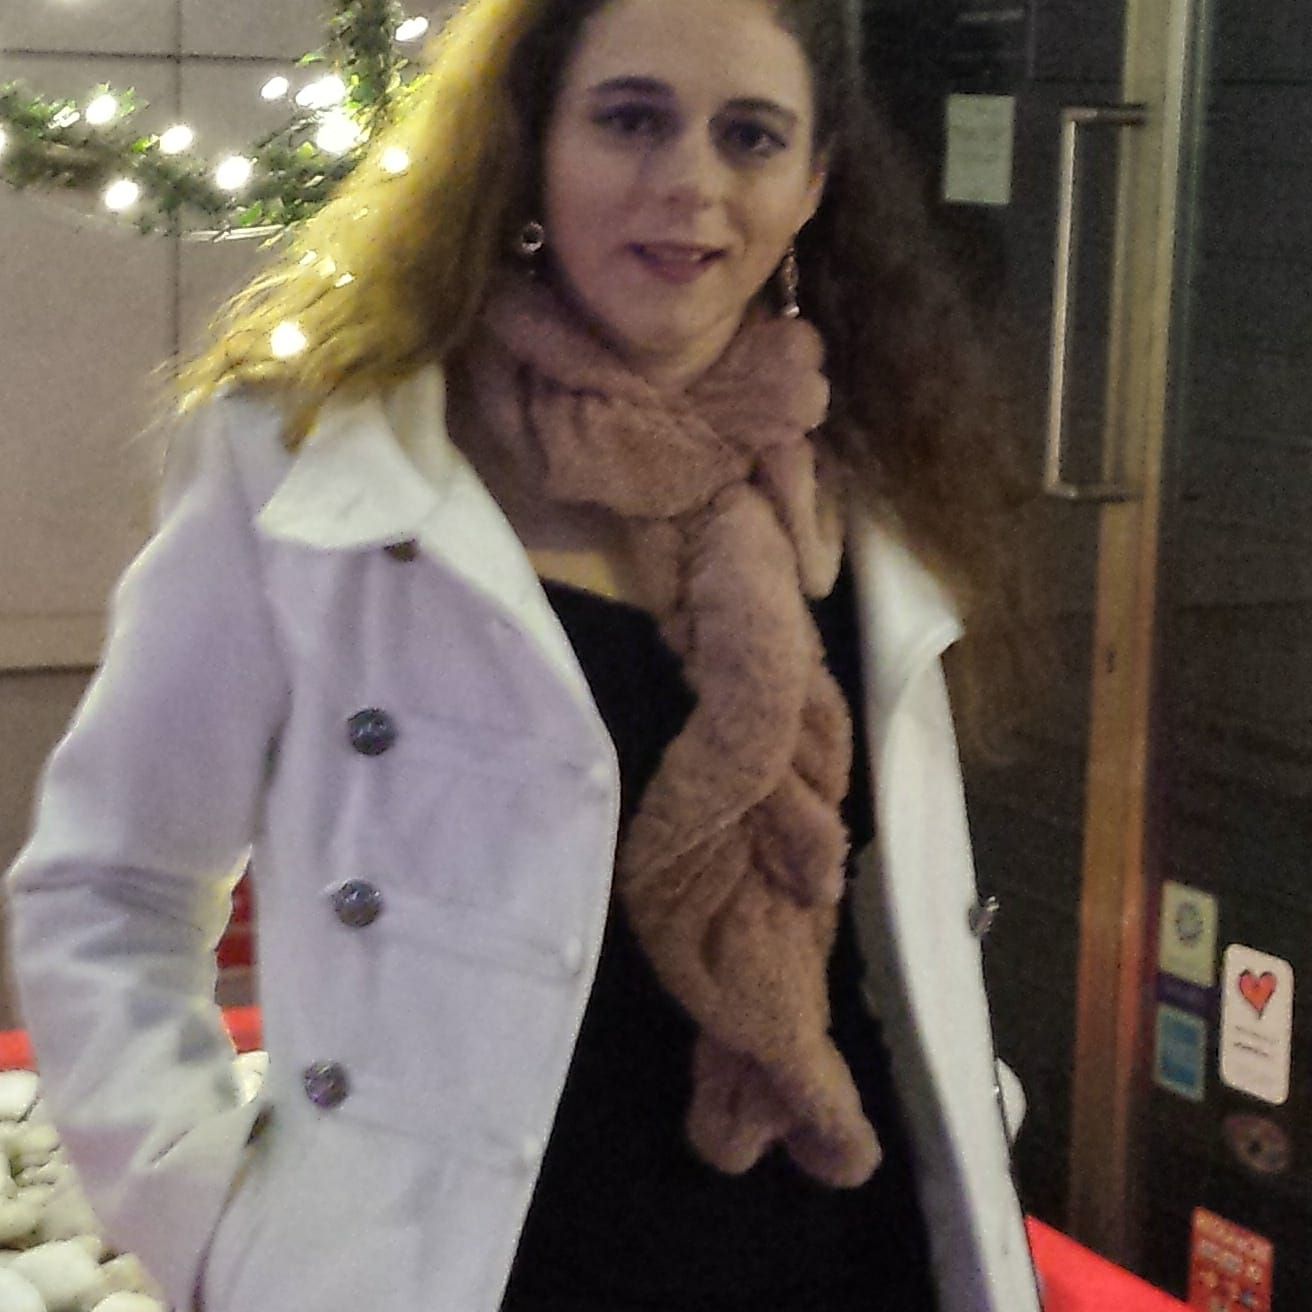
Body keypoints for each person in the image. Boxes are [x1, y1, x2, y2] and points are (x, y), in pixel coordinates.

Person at [7, 1, 1043, 1310]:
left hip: (845, 1256)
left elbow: (894, 934)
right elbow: (111, 892)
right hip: (476, 1273)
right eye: (631, 119)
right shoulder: (312, 456)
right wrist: (216, 1228)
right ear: (531, 146)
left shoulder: (867, 478)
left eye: (750, 135)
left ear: (811, 185)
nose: (691, 183)